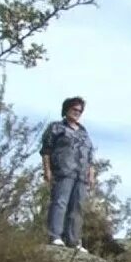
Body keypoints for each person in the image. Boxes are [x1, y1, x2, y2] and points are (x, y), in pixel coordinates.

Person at [40, 96, 96, 252]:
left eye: (80, 110)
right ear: (66, 110)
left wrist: (91, 175)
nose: (77, 112)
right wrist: (47, 170)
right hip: (63, 171)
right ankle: (55, 236)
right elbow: (46, 151)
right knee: (60, 202)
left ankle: (73, 240)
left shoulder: (84, 132)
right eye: (74, 109)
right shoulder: (56, 127)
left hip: (81, 175)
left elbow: (90, 156)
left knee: (77, 207)